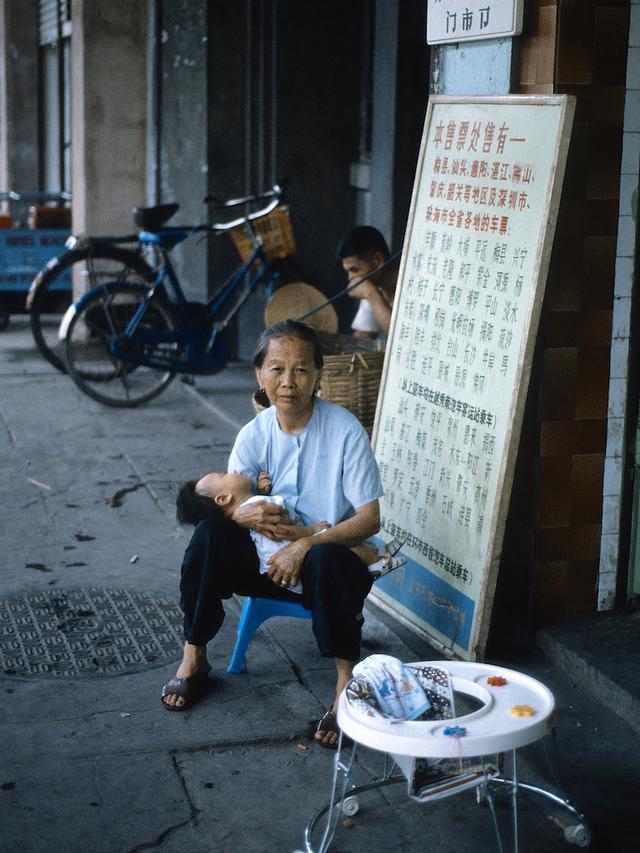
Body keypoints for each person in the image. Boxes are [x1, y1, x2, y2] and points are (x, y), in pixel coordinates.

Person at [161, 319, 388, 748]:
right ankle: (194, 657)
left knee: (325, 557)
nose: (288, 382)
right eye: (277, 369)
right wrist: (241, 519)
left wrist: (305, 543)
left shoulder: (345, 431)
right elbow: (227, 500)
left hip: (327, 570)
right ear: (260, 376)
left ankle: (345, 688)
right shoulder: (253, 435)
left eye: (301, 369)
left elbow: (369, 520)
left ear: (318, 375)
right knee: (209, 534)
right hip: (265, 566)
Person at [175, 471, 406, 592]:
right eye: (224, 475)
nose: (231, 470)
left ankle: (376, 555)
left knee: (342, 541)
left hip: (285, 559)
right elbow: (283, 532)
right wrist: (311, 529)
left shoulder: (253, 505)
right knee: (337, 544)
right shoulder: (259, 510)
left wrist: (263, 488)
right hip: (290, 563)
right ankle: (375, 563)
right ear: (224, 498)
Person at [336, 225, 398, 339]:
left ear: (377, 261)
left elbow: (400, 332)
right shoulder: (373, 288)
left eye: (354, 270)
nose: (350, 278)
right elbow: (363, 337)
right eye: (348, 272)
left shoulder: (410, 282)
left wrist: (371, 294)